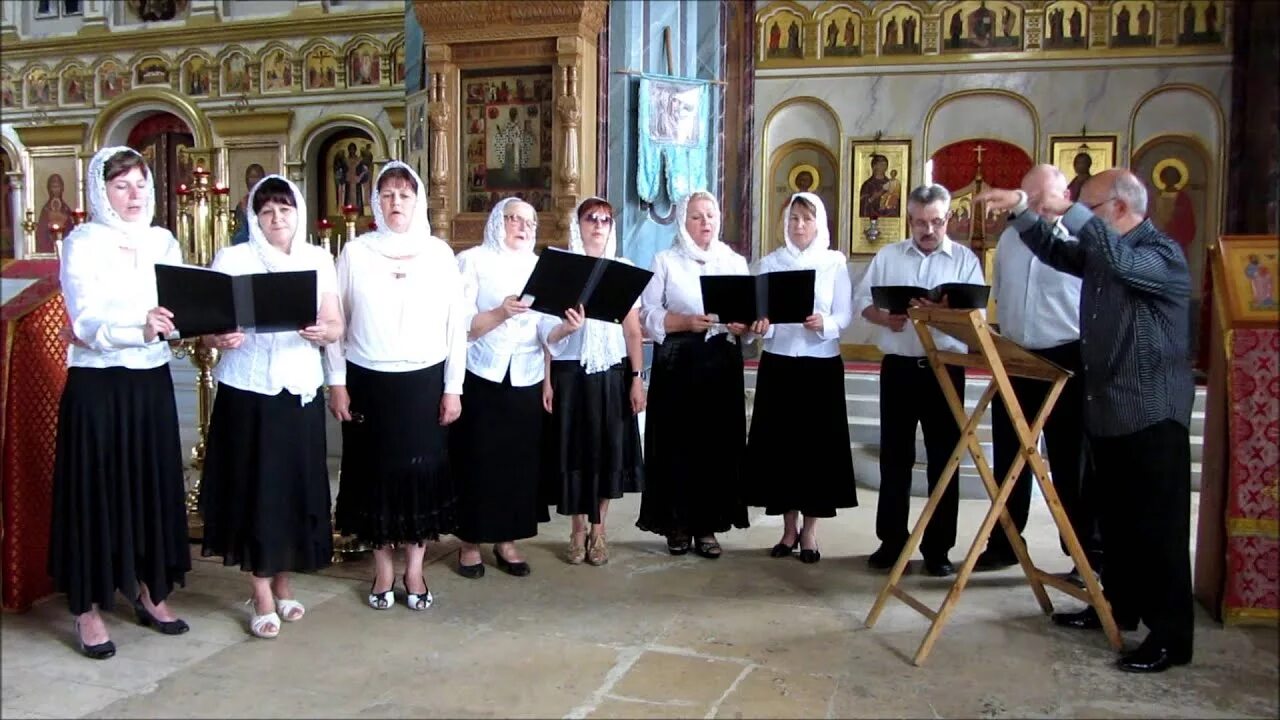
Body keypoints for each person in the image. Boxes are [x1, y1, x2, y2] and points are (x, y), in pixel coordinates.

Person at [977, 168, 1195, 674]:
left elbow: (1117, 262)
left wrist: (1060, 208)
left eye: (1087, 208)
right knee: (1116, 523)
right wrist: (1023, 213)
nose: (1077, 217)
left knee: (1157, 530)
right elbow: (1058, 252)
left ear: (1119, 208)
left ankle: (1171, 636)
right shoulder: (1104, 250)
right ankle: (1117, 608)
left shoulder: (1159, 254)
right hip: (1110, 411)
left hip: (1151, 412)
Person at [49, 146, 191, 660]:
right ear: (100, 192)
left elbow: (181, 305)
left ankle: (151, 591)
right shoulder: (82, 243)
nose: (133, 197)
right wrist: (138, 328)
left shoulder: (162, 240)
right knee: (98, 490)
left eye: (140, 185)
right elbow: (83, 324)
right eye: (121, 186)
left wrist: (203, 320)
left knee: (150, 484)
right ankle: (88, 607)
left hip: (149, 381)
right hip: (99, 385)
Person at [198, 174, 343, 639]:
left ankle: (284, 583)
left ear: (297, 212)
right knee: (256, 490)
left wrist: (326, 333)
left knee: (293, 490)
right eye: (266, 211)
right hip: (248, 390)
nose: (276, 217)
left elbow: (335, 321)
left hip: (298, 388)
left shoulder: (317, 258)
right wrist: (219, 337)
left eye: (284, 208)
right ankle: (260, 591)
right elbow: (208, 328)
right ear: (254, 218)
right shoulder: (234, 258)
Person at [325, 161, 466, 611]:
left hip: (424, 381)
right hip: (368, 380)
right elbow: (336, 323)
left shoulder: (439, 254)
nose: (395, 202)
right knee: (374, 477)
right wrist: (337, 382)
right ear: (375, 202)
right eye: (386, 195)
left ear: (417, 199)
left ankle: (415, 568)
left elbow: (455, 328)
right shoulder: (356, 253)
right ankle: (383, 569)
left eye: (404, 195)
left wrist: (453, 387)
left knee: (419, 475)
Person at [975, 164, 1102, 583]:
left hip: (1069, 359)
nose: (1037, 209)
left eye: (1044, 200)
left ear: (1065, 194)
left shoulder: (1084, 238)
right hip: (1015, 356)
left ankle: (1086, 555)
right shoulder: (1012, 238)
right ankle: (1006, 542)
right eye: (1028, 199)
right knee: (1010, 457)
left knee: (1072, 462)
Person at [852, 184, 985, 578]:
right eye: (921, 222)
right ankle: (891, 542)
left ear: (948, 219)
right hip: (899, 368)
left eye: (937, 222)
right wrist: (885, 317)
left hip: (946, 369)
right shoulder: (889, 256)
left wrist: (946, 315)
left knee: (945, 460)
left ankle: (938, 549)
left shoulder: (963, 260)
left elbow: (976, 318)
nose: (929, 229)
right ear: (909, 220)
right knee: (896, 457)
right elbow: (863, 302)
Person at [637, 190, 757, 559]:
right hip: (678, 360)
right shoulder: (665, 261)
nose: (705, 222)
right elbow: (647, 314)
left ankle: (707, 525)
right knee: (677, 444)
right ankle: (676, 523)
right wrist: (684, 322)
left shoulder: (734, 262)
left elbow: (750, 315)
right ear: (683, 222)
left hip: (720, 361)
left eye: (710, 215)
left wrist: (742, 326)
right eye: (696, 216)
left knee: (715, 445)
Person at [745, 193, 856, 563]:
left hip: (820, 365)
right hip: (778, 365)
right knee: (781, 448)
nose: (799, 226)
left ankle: (810, 532)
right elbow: (757, 318)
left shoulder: (834, 263)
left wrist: (825, 323)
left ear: (818, 222)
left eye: (806, 219)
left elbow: (844, 315)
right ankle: (787, 529)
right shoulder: (769, 263)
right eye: (793, 219)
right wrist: (763, 326)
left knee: (815, 450)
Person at [538, 197, 646, 566]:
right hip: (570, 375)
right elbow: (544, 335)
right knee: (576, 452)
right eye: (590, 219)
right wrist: (547, 380)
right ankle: (578, 528)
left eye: (605, 219)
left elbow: (633, 332)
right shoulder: (562, 267)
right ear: (578, 225)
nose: (598, 225)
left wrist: (636, 379)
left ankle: (600, 531)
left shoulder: (624, 269)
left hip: (612, 374)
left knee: (606, 452)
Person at [452, 198, 546, 578]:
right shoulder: (473, 260)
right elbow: (461, 325)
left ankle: (507, 539)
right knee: (477, 458)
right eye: (514, 219)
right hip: (481, 372)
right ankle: (470, 542)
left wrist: (566, 329)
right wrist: (500, 313)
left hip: (526, 373)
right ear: (497, 222)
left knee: (517, 462)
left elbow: (545, 329)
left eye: (529, 221)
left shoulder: (540, 266)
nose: (522, 227)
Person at [231, 163, 265, 246]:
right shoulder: (242, 204)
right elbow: (238, 235)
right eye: (251, 177)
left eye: (257, 177)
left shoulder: (269, 203)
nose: (253, 181)